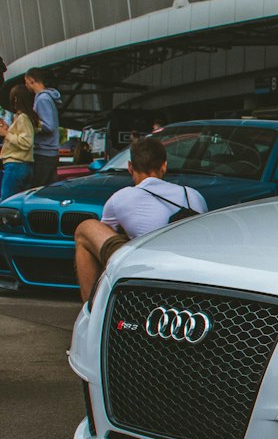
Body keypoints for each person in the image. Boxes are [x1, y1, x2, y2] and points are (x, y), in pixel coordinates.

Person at [74, 135, 208, 303]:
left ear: (130, 167)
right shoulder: (193, 195)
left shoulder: (120, 198)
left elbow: (104, 239)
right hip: (188, 267)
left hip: (146, 266)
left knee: (85, 230)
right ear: (164, 166)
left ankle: (91, 310)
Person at [0, 84, 39, 199]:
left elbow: (26, 142)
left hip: (16, 165)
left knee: (7, 202)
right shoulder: (25, 118)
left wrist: (5, 134)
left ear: (16, 99)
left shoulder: (23, 118)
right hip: (23, 166)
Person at [23, 67, 61, 186]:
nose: (26, 86)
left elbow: (48, 126)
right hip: (50, 151)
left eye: (26, 82)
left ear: (31, 80)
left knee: (38, 189)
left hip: (44, 152)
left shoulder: (42, 99)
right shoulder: (47, 97)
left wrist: (30, 126)